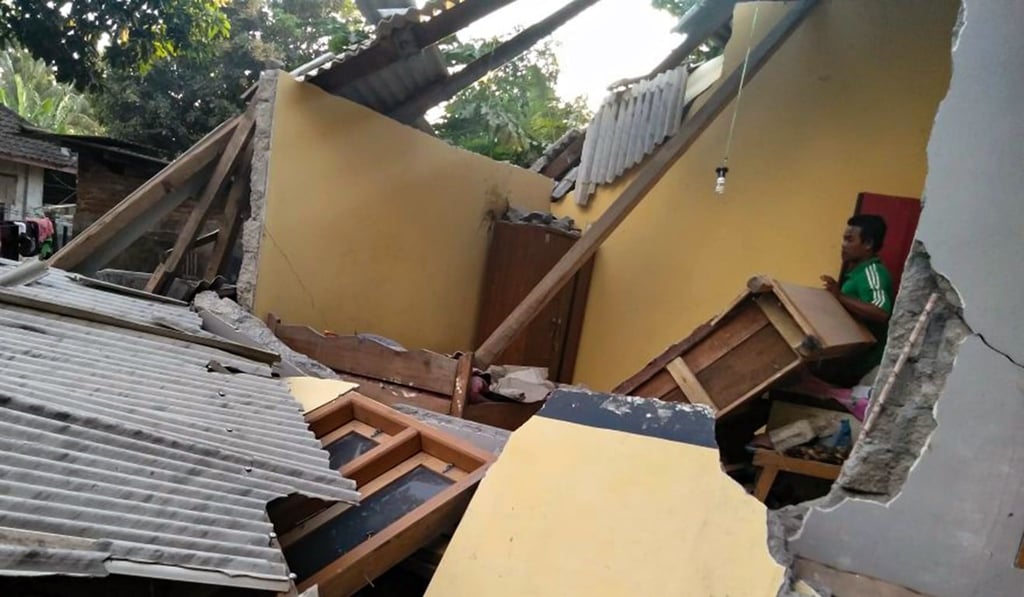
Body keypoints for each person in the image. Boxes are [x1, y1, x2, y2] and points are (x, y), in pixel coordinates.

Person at [820, 214, 895, 386]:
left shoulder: (873, 272)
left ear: (868, 244)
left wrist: (839, 296)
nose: (843, 245)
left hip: (865, 367)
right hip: (849, 361)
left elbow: (881, 312)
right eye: (844, 239)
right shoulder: (857, 273)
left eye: (849, 240)